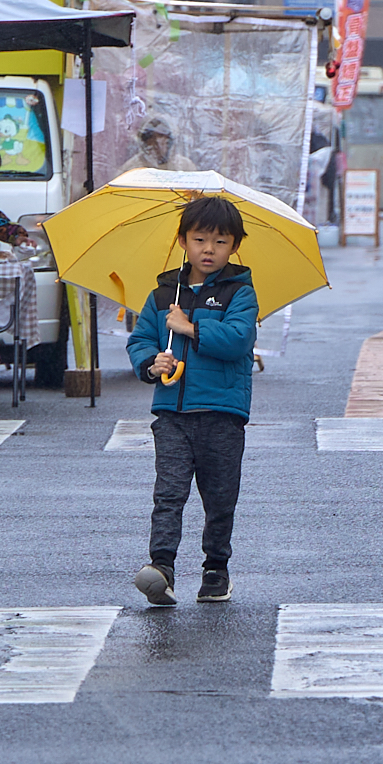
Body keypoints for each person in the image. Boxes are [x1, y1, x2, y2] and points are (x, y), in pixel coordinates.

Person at [128, 193, 259, 607]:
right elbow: (141, 339)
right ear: (183, 240)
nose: (209, 249)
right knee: (168, 492)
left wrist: (190, 327)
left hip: (221, 413)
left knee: (220, 497)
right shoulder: (165, 292)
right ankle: (162, 567)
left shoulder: (241, 292)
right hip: (172, 412)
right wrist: (152, 363)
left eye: (221, 242)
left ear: (235, 246)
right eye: (200, 239)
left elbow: (239, 340)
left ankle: (216, 568)